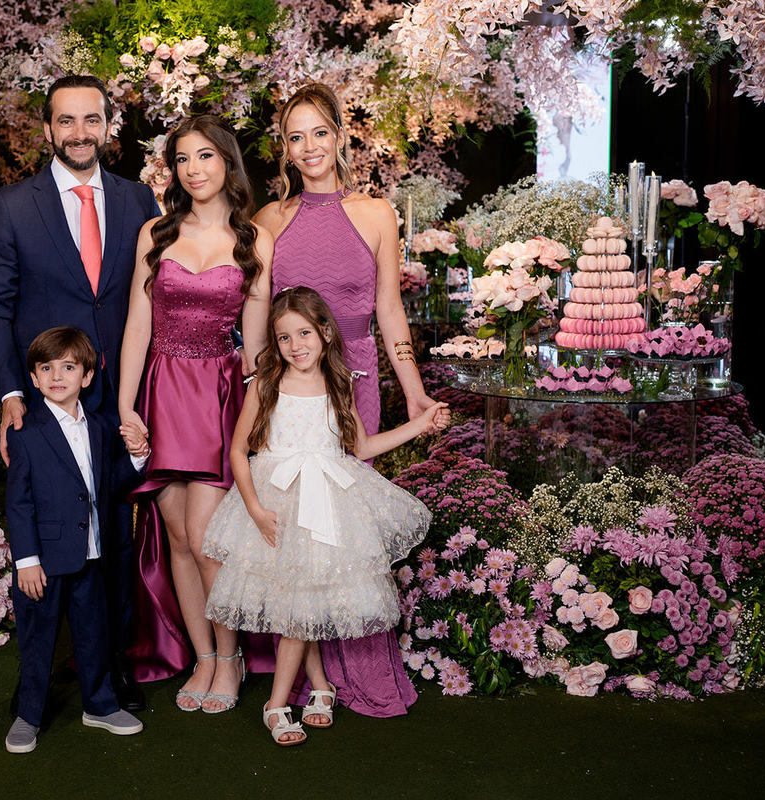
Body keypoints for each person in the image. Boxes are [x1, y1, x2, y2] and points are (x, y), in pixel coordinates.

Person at [252, 82, 439, 717]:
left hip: (355, 381)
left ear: (339, 136)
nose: (309, 147)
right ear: (284, 148)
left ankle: (351, 667)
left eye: (319, 133)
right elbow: (260, 316)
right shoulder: (270, 220)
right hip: (293, 391)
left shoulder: (378, 214)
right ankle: (309, 675)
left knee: (346, 530)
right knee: (300, 531)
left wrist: (414, 392)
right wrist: (258, 386)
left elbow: (390, 310)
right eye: (295, 137)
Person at [0, 75, 160, 711]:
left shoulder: (139, 200)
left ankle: (109, 669)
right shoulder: (11, 206)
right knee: (56, 535)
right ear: (47, 129)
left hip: (120, 395)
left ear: (108, 126)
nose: (80, 133)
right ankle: (42, 676)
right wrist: (10, 394)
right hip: (50, 400)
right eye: (66, 121)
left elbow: (154, 296)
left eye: (92, 119)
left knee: (116, 539)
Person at [202, 288, 450, 746]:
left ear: (325, 333)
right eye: (284, 338)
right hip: (277, 503)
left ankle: (295, 696)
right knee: (299, 603)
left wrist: (420, 424)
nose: (295, 345)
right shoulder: (264, 384)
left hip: (329, 505)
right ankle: (294, 697)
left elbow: (363, 447)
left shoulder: (339, 385)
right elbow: (239, 451)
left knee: (305, 603)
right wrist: (255, 509)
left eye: (304, 333)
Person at [118, 115, 272, 712]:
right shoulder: (155, 233)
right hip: (161, 392)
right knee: (178, 537)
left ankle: (230, 660)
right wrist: (127, 405)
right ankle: (204, 658)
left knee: (208, 541)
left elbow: (256, 350)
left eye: (205, 156)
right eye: (182, 159)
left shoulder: (254, 240)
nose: (193, 169)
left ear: (228, 162)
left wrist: (258, 422)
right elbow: (138, 325)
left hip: (216, 398)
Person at [3, 327, 152, 754]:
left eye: (68, 367)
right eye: (46, 368)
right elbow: (19, 502)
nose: (57, 376)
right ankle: (28, 715)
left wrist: (138, 456)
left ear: (86, 376)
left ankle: (100, 706)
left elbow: (110, 485)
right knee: (38, 639)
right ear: (34, 378)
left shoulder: (101, 427)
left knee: (93, 634)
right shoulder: (25, 431)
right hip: (44, 562)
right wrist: (27, 560)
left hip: (92, 554)